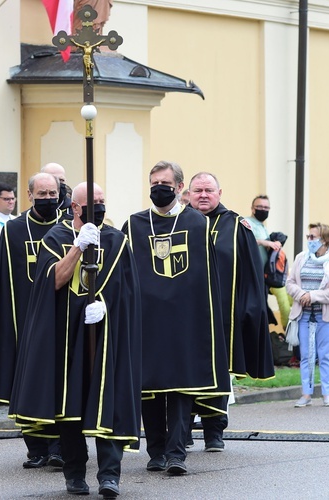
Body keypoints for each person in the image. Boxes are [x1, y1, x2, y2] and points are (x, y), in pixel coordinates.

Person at [9, 182, 142, 498]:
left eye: (102, 200)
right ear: (75, 207)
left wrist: (107, 305)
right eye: (91, 202)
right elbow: (52, 280)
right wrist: (78, 247)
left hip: (104, 337)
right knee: (69, 407)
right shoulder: (55, 238)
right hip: (67, 336)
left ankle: (110, 475)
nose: (99, 206)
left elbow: (129, 292)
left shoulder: (118, 241)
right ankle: (75, 473)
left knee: (105, 402)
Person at [123, 161, 230, 475]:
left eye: (166, 183)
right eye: (154, 182)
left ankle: (176, 453)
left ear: (179, 187)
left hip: (184, 321)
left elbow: (207, 279)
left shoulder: (197, 224)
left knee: (181, 389)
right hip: (147, 321)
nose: (159, 187)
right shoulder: (135, 224)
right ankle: (155, 452)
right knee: (150, 388)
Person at [0, 172, 64, 469]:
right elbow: (4, 280)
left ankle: (58, 446)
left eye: (53, 193)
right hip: (24, 319)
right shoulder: (13, 230)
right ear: (30, 195)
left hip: (61, 319)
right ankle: (36, 448)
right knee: (26, 381)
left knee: (59, 382)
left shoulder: (66, 226)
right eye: (43, 194)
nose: (49, 199)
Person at [187, 172, 275, 451]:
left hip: (222, 318)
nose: (203, 195)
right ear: (188, 193)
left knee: (218, 374)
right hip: (184, 318)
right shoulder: (176, 223)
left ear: (219, 193)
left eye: (208, 190)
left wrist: (252, 310)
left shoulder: (238, 226)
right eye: (197, 190)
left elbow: (250, 272)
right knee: (183, 374)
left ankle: (214, 431)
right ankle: (182, 430)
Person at [287, 222, 329, 408]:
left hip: (326, 316)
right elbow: (289, 283)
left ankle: (327, 394)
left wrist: (312, 296)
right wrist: (301, 295)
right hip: (303, 315)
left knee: (325, 354)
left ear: (325, 240)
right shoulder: (301, 258)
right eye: (308, 237)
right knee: (305, 355)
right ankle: (306, 394)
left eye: (312, 237)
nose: (309, 240)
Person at [244, 195, 293, 329]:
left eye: (266, 207)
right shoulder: (246, 223)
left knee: (287, 300)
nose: (263, 210)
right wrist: (264, 242)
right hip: (252, 275)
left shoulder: (262, 227)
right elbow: (242, 242)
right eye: (259, 207)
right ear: (252, 209)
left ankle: (290, 332)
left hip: (265, 275)